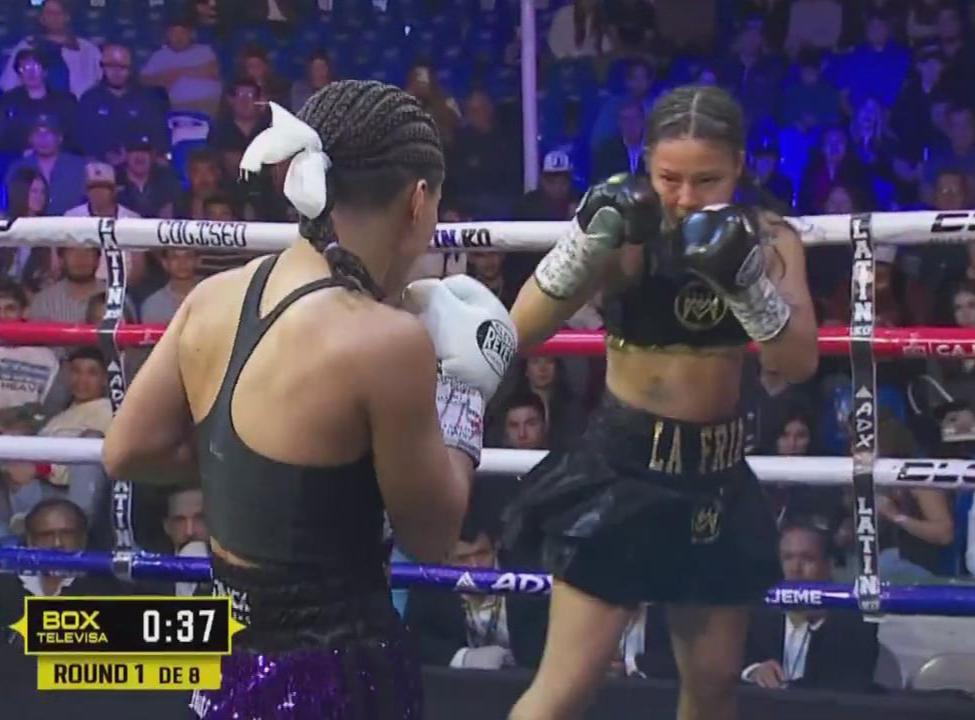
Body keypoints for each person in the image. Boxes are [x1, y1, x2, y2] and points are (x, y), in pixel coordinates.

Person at [101, 81, 516, 719]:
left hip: (226, 665)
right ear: (418, 199)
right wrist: (463, 394)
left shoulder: (215, 296)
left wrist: (257, 475)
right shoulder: (383, 341)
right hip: (335, 673)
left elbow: (125, 451)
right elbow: (433, 537)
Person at [503, 84, 819, 720]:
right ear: (646, 163)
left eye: (707, 180)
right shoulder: (627, 233)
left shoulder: (769, 239)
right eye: (670, 178)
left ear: (739, 167)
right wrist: (584, 244)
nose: (685, 197)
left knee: (713, 685)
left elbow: (798, 361)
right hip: (623, 472)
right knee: (565, 688)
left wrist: (747, 287)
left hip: (716, 478)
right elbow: (520, 329)